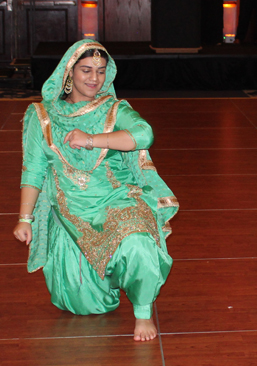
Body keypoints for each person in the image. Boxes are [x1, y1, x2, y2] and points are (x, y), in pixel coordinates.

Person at [12, 39, 179, 341]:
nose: (94, 79)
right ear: (68, 74)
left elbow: (144, 134)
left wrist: (91, 139)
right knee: (85, 306)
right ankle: (111, 275)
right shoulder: (42, 116)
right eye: (86, 70)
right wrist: (26, 219)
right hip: (71, 211)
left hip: (118, 199)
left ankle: (142, 310)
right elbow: (33, 170)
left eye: (101, 71)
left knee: (139, 244)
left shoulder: (113, 110)